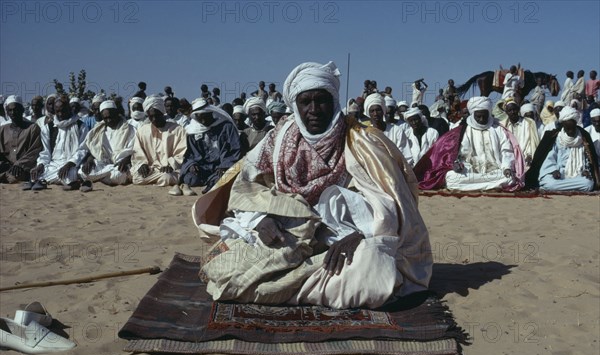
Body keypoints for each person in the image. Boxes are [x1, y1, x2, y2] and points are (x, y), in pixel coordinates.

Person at [196, 61, 433, 309]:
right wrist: (258, 220)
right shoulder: (279, 137)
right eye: (305, 102)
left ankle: (286, 288)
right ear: (295, 106)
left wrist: (361, 233)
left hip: (339, 234)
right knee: (222, 270)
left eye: (321, 100)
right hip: (282, 227)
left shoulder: (361, 141)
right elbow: (247, 186)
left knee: (373, 272)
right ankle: (299, 284)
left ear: (333, 101)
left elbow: (391, 202)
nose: (314, 109)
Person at [414, 97, 524, 191]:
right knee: (450, 177)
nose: (481, 119)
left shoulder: (498, 129)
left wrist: (506, 167)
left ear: (489, 114)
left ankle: (478, 185)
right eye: (478, 116)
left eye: (484, 116)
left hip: (495, 170)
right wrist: (457, 164)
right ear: (472, 114)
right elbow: (459, 153)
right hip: (470, 170)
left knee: (509, 178)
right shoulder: (464, 131)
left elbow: (506, 150)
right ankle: (491, 186)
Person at [175, 98, 242, 196]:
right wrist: (192, 165)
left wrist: (225, 166)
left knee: (227, 176)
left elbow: (234, 150)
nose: (203, 120)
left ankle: (213, 183)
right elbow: (190, 154)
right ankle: (211, 181)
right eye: (199, 117)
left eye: (205, 117)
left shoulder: (226, 127)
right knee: (190, 179)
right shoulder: (193, 131)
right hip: (203, 167)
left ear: (211, 113)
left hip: (221, 166)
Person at [525, 107, 599, 191]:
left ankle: (560, 187)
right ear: (563, 125)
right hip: (558, 174)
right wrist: (553, 171)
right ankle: (566, 187)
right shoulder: (557, 138)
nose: (570, 131)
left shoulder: (582, 138)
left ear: (576, 124)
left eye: (572, 128)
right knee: (549, 183)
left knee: (588, 184)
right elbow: (550, 158)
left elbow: (587, 159)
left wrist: (586, 170)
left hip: (577, 175)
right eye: (568, 128)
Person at [29, 95, 89, 191]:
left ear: (69, 109)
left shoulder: (81, 126)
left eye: (63, 111)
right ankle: (71, 183)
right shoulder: (48, 128)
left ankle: (67, 181)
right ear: (54, 111)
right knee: (35, 174)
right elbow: (45, 152)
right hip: (54, 164)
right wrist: (40, 164)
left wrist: (69, 164)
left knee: (74, 174)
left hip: (72, 164)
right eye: (58, 111)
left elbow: (83, 149)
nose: (60, 114)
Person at [77, 100, 136, 191]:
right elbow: (90, 148)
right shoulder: (97, 130)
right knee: (82, 171)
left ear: (116, 113)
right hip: (103, 163)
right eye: (105, 118)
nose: (109, 120)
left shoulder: (130, 129)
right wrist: (89, 159)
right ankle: (106, 178)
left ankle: (98, 179)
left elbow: (135, 150)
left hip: (122, 164)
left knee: (118, 175)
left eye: (111, 117)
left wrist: (126, 160)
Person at [131, 95, 187, 188]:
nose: (154, 119)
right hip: (152, 169)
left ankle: (158, 180)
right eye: (151, 117)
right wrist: (142, 164)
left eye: (157, 116)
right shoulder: (142, 131)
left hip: (170, 170)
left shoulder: (177, 130)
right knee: (137, 178)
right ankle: (158, 180)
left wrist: (170, 164)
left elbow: (181, 153)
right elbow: (137, 153)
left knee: (167, 177)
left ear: (162, 113)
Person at [0, 96, 43, 184]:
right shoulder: (2, 129)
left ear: (22, 110)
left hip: (24, 167)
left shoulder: (32, 128)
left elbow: (35, 150)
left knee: (15, 176)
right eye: (10, 110)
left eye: (16, 109)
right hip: (7, 166)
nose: (13, 112)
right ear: (7, 112)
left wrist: (19, 164)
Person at [503, 100, 540, 167]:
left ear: (518, 109)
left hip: (527, 158)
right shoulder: (504, 126)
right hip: (510, 159)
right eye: (510, 110)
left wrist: (530, 155)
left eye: (514, 109)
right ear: (506, 112)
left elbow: (532, 143)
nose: (513, 112)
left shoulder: (529, 123)